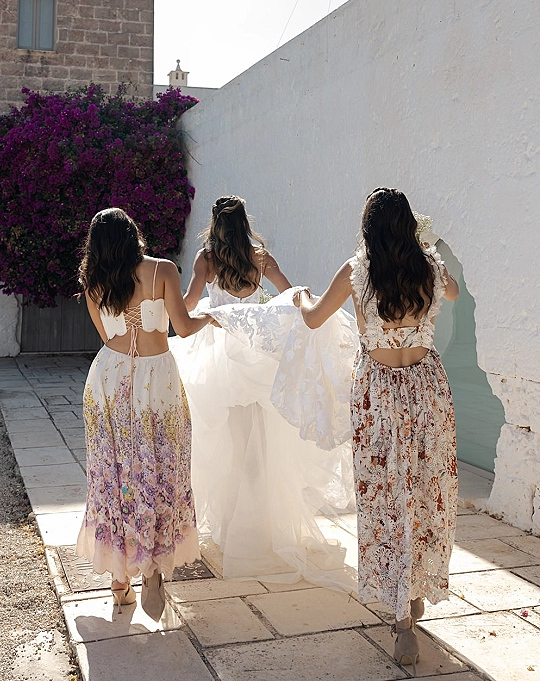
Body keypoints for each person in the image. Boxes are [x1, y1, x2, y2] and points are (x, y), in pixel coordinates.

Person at [294, 188, 459, 672]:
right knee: (427, 490)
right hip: (427, 388)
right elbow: (451, 292)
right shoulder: (429, 268)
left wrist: (301, 295)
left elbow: (313, 318)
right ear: (410, 226)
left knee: (386, 497)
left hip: (378, 394)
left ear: (368, 229)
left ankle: (402, 618)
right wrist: (425, 250)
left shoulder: (356, 271)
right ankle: (415, 588)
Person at [170, 196, 358, 587]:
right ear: (245, 224)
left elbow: (186, 310)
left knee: (226, 445)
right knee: (262, 445)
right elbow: (290, 296)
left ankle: (230, 530)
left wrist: (207, 308)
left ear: (215, 225)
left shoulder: (206, 260)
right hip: (256, 357)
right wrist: (259, 314)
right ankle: (259, 529)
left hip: (219, 358)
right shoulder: (261, 258)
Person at [75, 207, 215, 618]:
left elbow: (106, 337)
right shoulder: (163, 271)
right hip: (158, 383)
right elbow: (183, 327)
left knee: (115, 473)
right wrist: (209, 315)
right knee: (162, 468)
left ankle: (121, 585)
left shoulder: (94, 284)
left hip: (108, 382)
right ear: (133, 234)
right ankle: (154, 567)